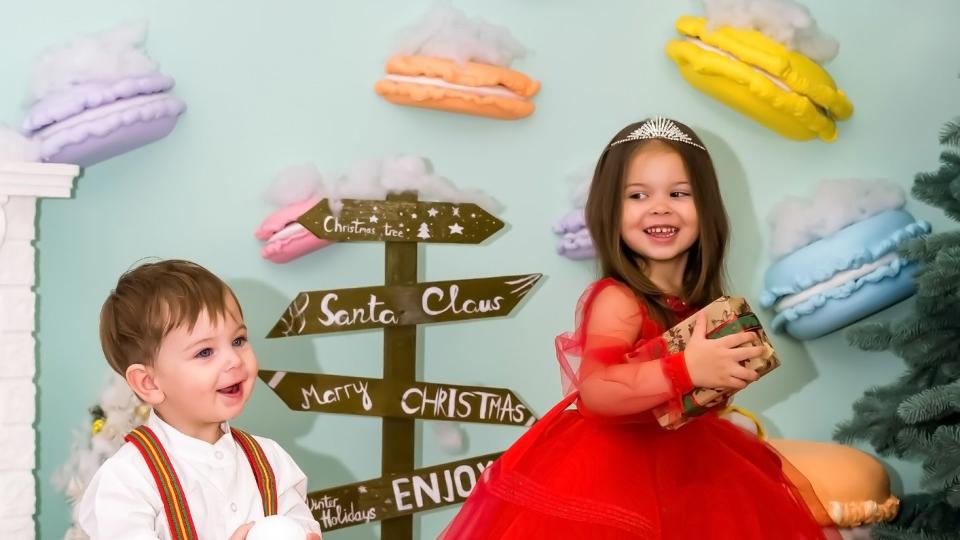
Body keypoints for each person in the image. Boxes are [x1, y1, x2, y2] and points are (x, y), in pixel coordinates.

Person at [440, 117, 838, 539]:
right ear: (610, 211)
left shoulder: (697, 306)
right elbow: (596, 389)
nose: (660, 206)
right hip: (612, 472)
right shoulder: (618, 300)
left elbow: (686, 395)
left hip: (694, 464)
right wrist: (687, 370)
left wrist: (724, 374)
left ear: (707, 208)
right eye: (637, 195)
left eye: (679, 193)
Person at [78, 259, 323, 540]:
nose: (233, 360)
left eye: (238, 340)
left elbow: (302, 527)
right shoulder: (127, 480)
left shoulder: (270, 461)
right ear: (149, 383)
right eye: (205, 352)